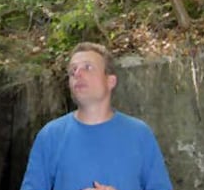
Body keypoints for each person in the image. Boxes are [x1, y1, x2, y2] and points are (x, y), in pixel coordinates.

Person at [20, 42, 173, 190]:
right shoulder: (50, 136)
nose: (77, 73)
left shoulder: (140, 134)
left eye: (88, 67)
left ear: (110, 81)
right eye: (73, 70)